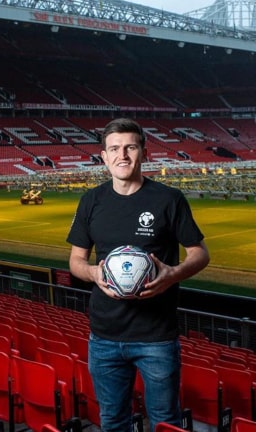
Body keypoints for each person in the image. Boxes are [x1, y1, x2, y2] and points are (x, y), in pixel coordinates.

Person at [66, 118, 210, 431]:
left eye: (130, 147)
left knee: (165, 421)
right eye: (114, 149)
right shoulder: (91, 201)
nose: (123, 155)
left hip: (156, 337)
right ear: (104, 156)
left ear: (143, 152)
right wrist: (92, 272)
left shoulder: (169, 199)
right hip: (104, 336)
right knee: (113, 421)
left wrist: (173, 273)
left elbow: (200, 254)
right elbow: (76, 260)